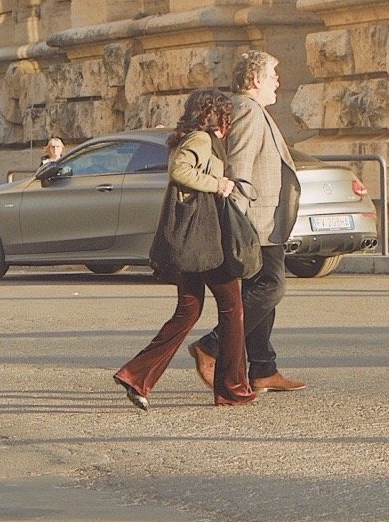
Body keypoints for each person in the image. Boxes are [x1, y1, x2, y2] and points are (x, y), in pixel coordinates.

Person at [112, 89, 256, 410]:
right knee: (233, 309)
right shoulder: (201, 139)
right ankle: (232, 388)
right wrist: (218, 184)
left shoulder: (196, 138)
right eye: (225, 114)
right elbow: (179, 171)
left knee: (188, 311)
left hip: (192, 242)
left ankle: (136, 376)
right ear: (216, 115)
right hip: (203, 242)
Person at [189, 50, 306, 394]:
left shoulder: (252, 111)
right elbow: (238, 168)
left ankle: (264, 368)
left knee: (259, 291)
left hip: (264, 218)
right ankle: (211, 346)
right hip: (255, 220)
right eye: (273, 76)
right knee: (272, 287)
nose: (278, 82)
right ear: (255, 79)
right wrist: (236, 221)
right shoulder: (248, 112)